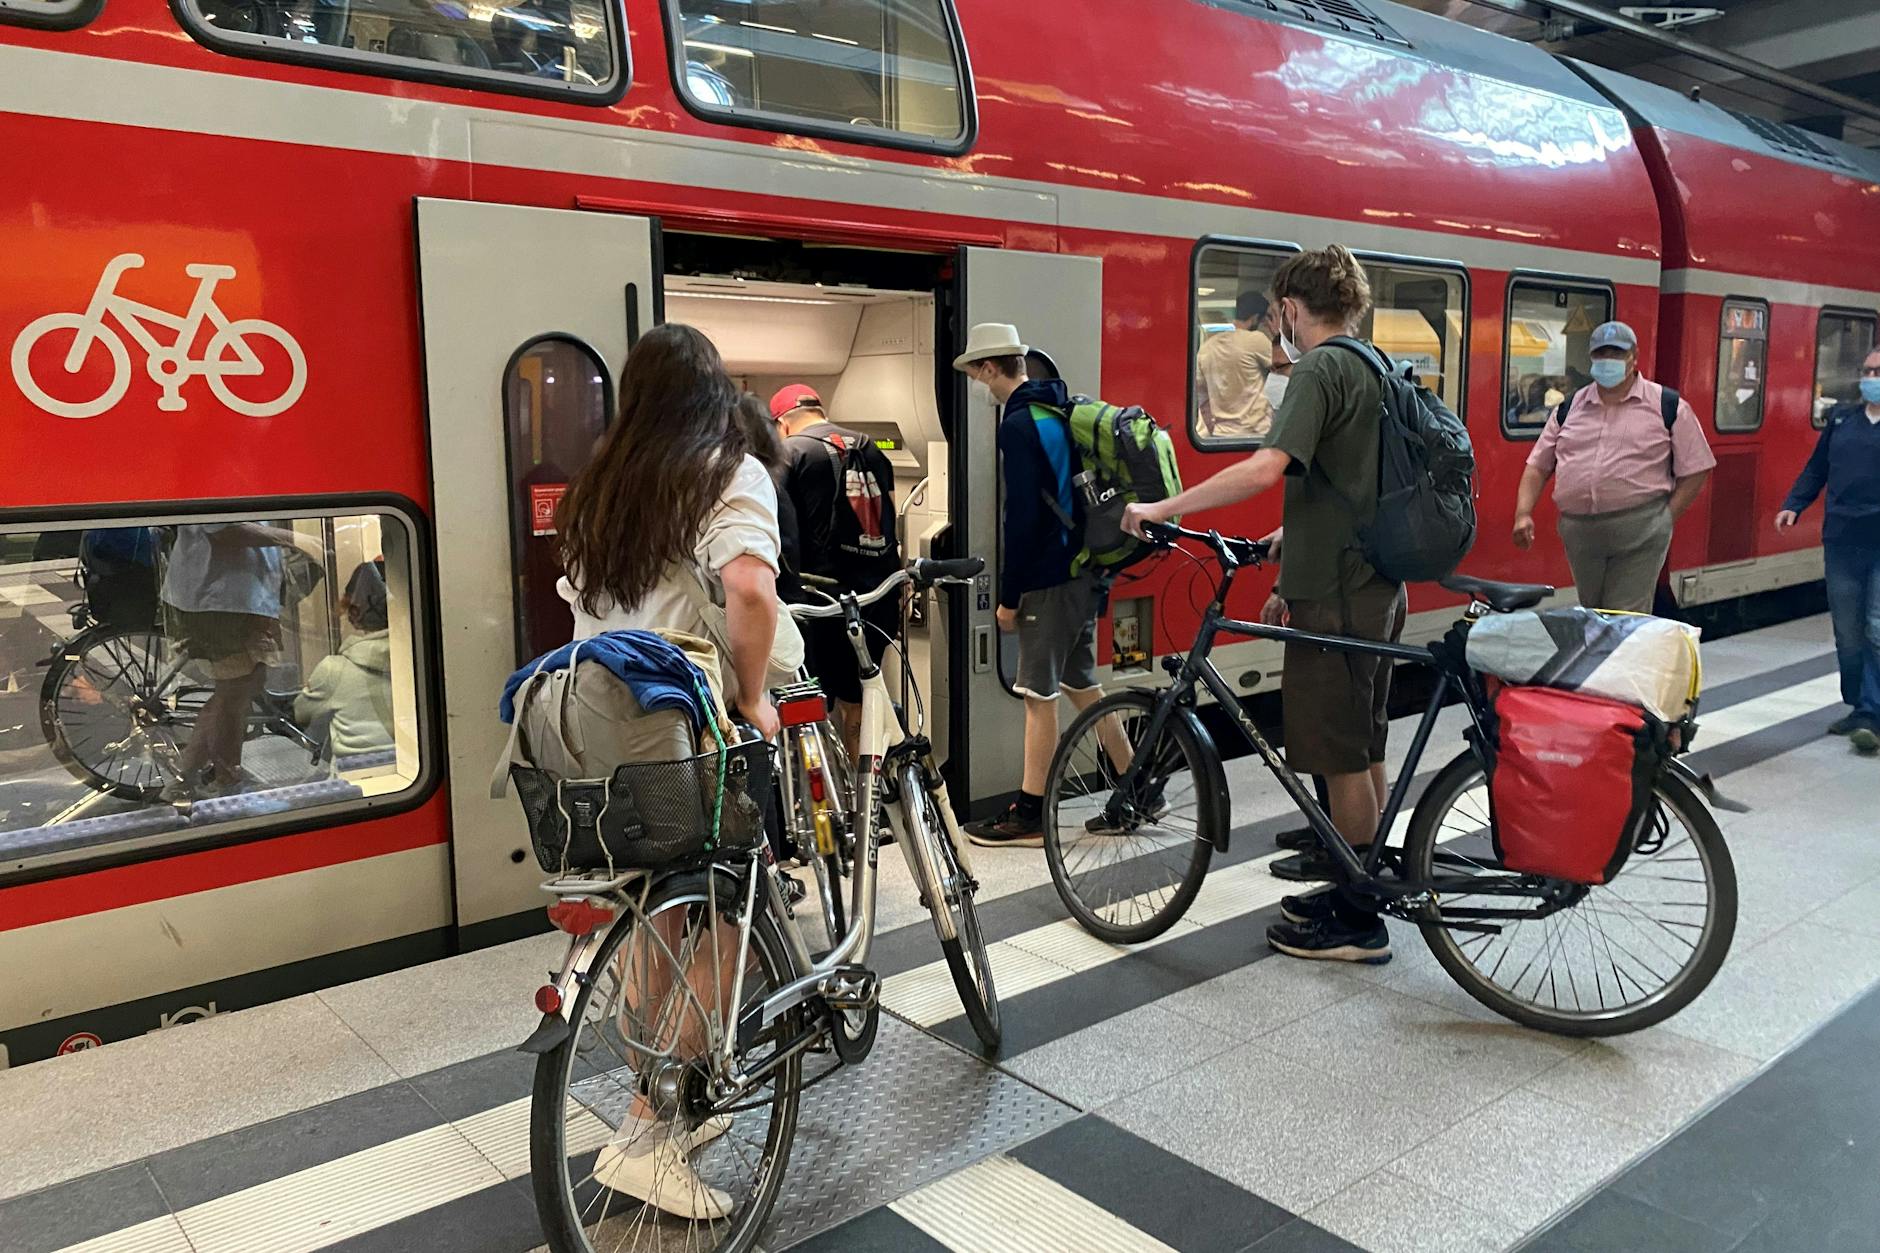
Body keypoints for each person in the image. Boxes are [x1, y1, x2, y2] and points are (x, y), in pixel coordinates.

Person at [552, 323, 784, 1218]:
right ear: (711, 394)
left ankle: (664, 1100)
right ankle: (650, 1129)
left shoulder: (600, 486)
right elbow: (753, 593)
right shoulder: (728, 471)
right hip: (680, 728)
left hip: (589, 725)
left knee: (655, 906)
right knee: (730, 914)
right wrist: (755, 695)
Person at [1124, 245, 1405, 965]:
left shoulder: (1320, 367)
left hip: (1338, 596)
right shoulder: (1377, 365)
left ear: (1289, 308)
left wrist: (1165, 504)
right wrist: (1292, 538)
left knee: (1338, 755)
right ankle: (1358, 873)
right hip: (1373, 582)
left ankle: (1356, 920)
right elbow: (1349, 482)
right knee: (1363, 742)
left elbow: (1264, 466)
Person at [953, 323, 1116, 848]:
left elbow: (1021, 519)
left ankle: (1030, 813)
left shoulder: (1020, 423)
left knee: (1036, 695)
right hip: (1083, 571)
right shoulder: (1059, 406)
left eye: (976, 372)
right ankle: (1138, 784)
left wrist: (1008, 596)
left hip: (1049, 579)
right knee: (1081, 685)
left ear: (989, 368)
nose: (977, 383)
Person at [1512, 321, 1716, 613]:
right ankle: (1605, 659)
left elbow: (1697, 467)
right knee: (1594, 613)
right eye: (1601, 354)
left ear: (1634, 356)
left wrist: (1666, 518)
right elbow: (1538, 466)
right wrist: (1523, 514)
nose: (1608, 360)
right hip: (1580, 533)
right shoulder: (1570, 407)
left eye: (1617, 353)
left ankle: (1618, 657)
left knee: (1623, 616)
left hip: (1640, 529)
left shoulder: (1666, 405)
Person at [770, 383, 900, 753]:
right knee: (860, 698)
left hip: (818, 599)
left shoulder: (790, 451)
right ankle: (864, 791)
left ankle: (825, 792)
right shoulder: (870, 447)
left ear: (782, 423)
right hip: (877, 595)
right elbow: (890, 513)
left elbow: (782, 531)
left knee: (813, 704)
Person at [160, 521, 320, 801]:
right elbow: (223, 530)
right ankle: (218, 780)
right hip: (220, 603)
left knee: (240, 690)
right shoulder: (213, 478)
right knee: (233, 695)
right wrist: (293, 538)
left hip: (237, 600)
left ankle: (194, 775)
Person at [1777, 347, 1880, 755]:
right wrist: (1793, 504)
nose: (1870, 376)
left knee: (1876, 627)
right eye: (1868, 369)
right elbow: (1817, 468)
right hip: (1841, 539)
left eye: (1879, 370)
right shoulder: (1842, 420)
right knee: (1848, 633)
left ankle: (1873, 711)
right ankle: (1859, 706)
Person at [296, 561, 394, 758]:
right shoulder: (423, 659)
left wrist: (314, 687)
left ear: (354, 611)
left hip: (353, 775)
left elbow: (302, 714)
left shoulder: (333, 669)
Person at [733, 392, 804, 604]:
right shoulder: (775, 482)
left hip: (769, 610)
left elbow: (749, 584)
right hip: (789, 605)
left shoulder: (747, 487)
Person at [1196, 290, 1276, 441]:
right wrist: (1275, 332)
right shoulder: (1256, 340)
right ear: (1255, 318)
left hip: (1221, 435)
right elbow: (1286, 368)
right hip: (1256, 435)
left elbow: (1203, 400)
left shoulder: (1207, 347)